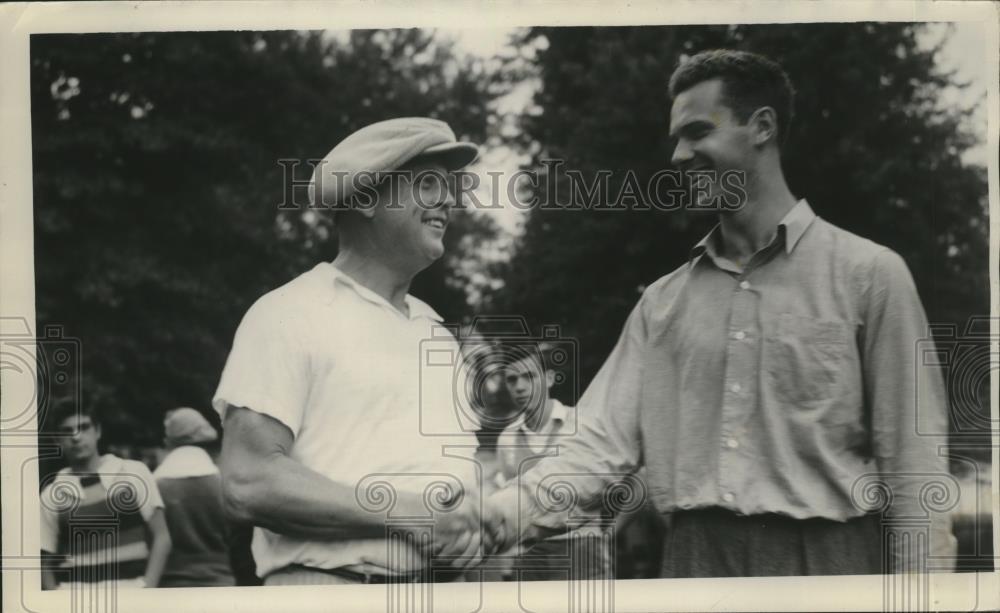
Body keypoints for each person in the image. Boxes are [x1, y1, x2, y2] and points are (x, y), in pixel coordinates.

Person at [485, 49, 957, 577]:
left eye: (697, 132)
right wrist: (496, 516)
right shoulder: (662, 304)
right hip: (695, 567)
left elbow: (915, 467)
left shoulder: (870, 275)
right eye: (677, 140)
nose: (679, 156)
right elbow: (596, 445)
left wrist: (927, 593)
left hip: (830, 566)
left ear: (761, 127)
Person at [214, 117, 486, 586]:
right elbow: (248, 481)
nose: (448, 200)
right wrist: (411, 516)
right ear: (363, 199)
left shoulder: (437, 335)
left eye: (450, 187)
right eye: (427, 184)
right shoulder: (288, 312)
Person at [494, 342, 613, 582]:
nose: (520, 387)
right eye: (512, 379)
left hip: (581, 549)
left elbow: (624, 481)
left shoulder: (580, 424)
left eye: (529, 377)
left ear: (549, 378)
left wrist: (605, 534)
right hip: (530, 553)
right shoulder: (507, 438)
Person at [40, 406, 171, 590]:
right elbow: (44, 561)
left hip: (132, 593)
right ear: (57, 440)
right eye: (66, 431)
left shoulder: (132, 472)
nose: (76, 437)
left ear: (98, 431)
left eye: (84, 427)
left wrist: (148, 588)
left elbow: (162, 537)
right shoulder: (51, 495)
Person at [153, 407, 236, 587]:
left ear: (169, 441)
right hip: (220, 582)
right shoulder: (221, 481)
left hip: (170, 586)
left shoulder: (155, 484)